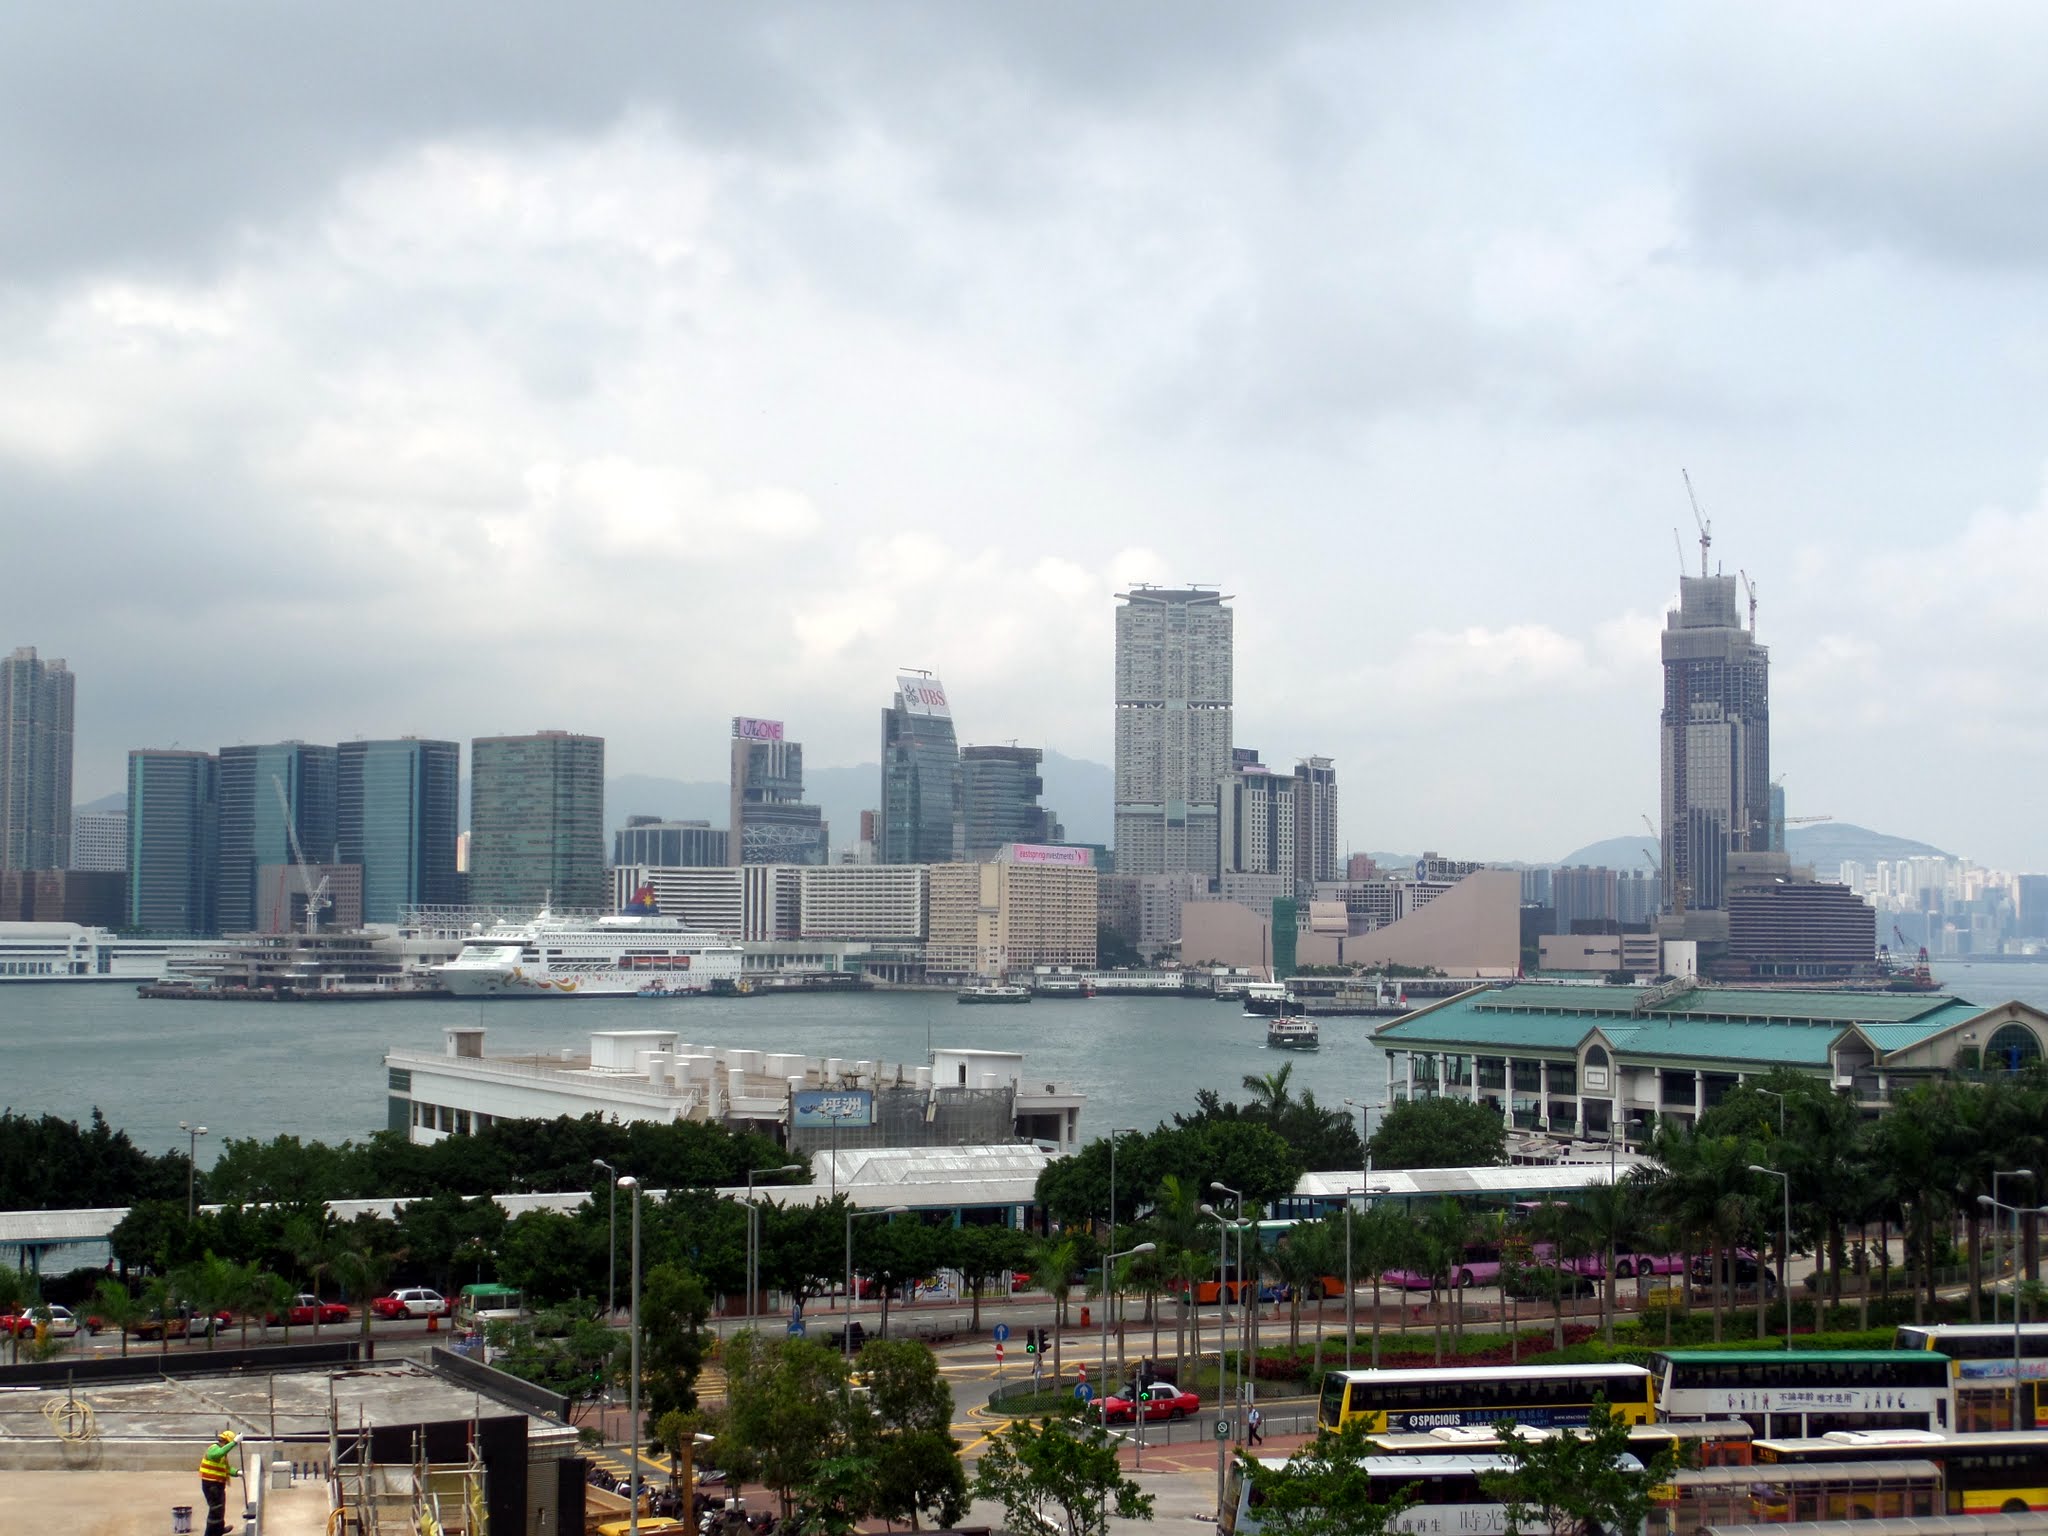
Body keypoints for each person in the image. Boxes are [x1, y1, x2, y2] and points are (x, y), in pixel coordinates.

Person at [198, 1428, 240, 1536]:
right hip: (211, 1485)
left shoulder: (222, 1454)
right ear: (226, 1442)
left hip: (218, 1485)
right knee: (215, 1510)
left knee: (220, 1509)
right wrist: (234, 1442)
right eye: (229, 1444)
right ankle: (210, 1534)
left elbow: (225, 1468)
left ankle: (219, 1529)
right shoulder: (214, 1449)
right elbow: (217, 1454)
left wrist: (237, 1472)